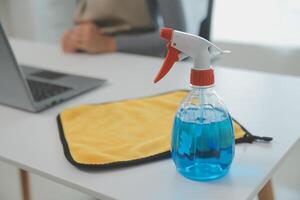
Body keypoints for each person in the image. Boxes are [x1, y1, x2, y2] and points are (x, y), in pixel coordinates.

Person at [61, 0, 186, 57]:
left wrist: (108, 43)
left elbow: (178, 39)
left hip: (138, 64)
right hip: (88, 61)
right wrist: (75, 37)